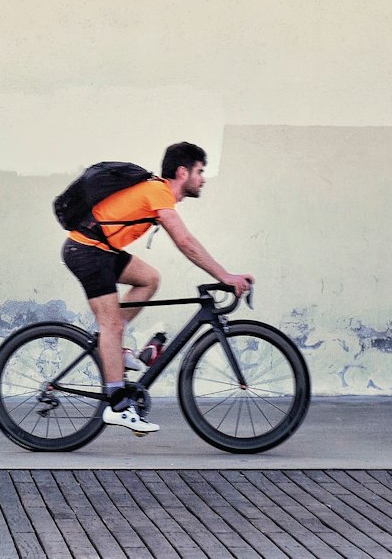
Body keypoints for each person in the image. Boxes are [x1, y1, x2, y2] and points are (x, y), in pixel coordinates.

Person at [61, 141, 253, 435]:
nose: (203, 179)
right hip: (88, 251)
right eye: (200, 171)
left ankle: (112, 342)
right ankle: (118, 405)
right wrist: (225, 276)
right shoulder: (158, 192)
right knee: (111, 323)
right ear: (182, 172)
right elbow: (185, 242)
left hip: (102, 249)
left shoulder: (157, 192)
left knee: (149, 279)